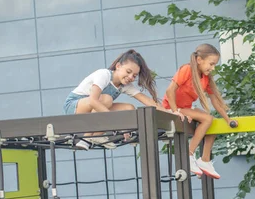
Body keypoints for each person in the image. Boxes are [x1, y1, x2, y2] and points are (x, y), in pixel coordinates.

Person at [64, 49, 167, 150]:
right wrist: (117, 124)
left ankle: (95, 136)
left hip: (95, 110)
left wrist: (170, 112)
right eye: (128, 71)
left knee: (129, 108)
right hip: (76, 106)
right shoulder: (104, 75)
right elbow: (92, 100)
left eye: (134, 75)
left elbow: (147, 100)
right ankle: (86, 138)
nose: (130, 77)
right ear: (118, 66)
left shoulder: (124, 85)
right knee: (107, 99)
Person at [162, 44, 234, 179]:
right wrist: (175, 111)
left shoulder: (205, 78)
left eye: (214, 65)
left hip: (185, 108)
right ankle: (189, 153)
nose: (213, 68)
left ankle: (205, 160)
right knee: (207, 119)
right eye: (211, 64)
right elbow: (169, 91)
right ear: (199, 60)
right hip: (171, 108)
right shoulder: (187, 69)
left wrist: (227, 119)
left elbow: (215, 101)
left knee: (213, 123)